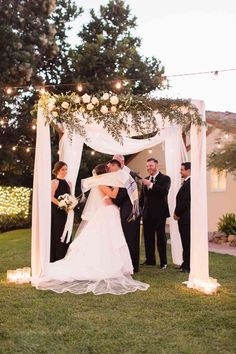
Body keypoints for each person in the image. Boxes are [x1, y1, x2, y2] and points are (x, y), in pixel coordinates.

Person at [35, 164, 149, 295]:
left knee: (109, 241)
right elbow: (113, 194)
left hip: (109, 213)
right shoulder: (100, 183)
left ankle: (111, 264)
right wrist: (118, 183)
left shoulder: (102, 182)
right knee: (105, 239)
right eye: (107, 171)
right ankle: (104, 266)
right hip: (107, 213)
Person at [107, 159, 141, 273]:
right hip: (133, 211)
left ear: (114, 165)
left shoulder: (121, 177)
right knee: (133, 239)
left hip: (128, 213)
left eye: (109, 167)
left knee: (129, 239)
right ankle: (133, 265)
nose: (108, 170)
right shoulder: (125, 176)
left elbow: (119, 198)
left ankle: (130, 266)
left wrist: (110, 198)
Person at [140, 158, 171, 269]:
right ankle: (150, 260)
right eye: (147, 166)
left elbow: (164, 191)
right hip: (147, 213)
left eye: (151, 165)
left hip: (160, 213)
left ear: (156, 166)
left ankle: (163, 262)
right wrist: (140, 210)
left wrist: (151, 184)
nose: (149, 168)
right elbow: (142, 198)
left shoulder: (165, 178)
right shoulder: (146, 179)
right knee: (148, 237)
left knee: (161, 237)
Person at [50, 161, 72, 262]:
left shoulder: (69, 183)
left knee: (66, 232)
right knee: (57, 232)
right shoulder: (54, 182)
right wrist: (61, 204)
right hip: (57, 212)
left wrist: (70, 206)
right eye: (63, 169)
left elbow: (71, 197)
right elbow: (51, 197)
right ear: (58, 170)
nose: (65, 171)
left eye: (66, 169)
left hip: (66, 212)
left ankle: (66, 256)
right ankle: (57, 257)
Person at [174, 162, 191, 273]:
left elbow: (184, 202)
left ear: (188, 170)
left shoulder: (189, 183)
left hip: (185, 218)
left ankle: (187, 266)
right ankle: (185, 263)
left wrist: (177, 213)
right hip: (184, 218)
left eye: (182, 169)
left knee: (187, 242)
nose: (180, 171)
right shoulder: (187, 183)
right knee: (185, 242)